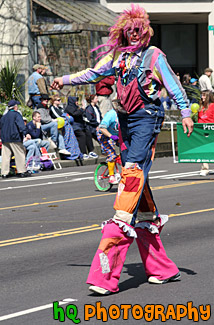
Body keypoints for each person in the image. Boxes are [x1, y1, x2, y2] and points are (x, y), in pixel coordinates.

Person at [51, 4, 193, 295]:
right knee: (139, 184)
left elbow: (173, 84)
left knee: (130, 178)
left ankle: (107, 272)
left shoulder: (154, 56)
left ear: (146, 32)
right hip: (126, 122)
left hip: (147, 120)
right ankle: (162, 268)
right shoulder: (117, 56)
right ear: (123, 33)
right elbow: (92, 73)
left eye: (139, 31)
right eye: (129, 31)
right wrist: (63, 80)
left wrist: (186, 112)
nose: (134, 35)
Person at [0, 100, 31, 178]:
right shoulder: (16, 115)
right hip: (15, 137)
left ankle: (4, 172)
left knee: (5, 156)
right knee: (19, 154)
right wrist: (26, 133)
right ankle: (22, 171)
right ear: (15, 107)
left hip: (5, 139)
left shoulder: (4, 117)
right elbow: (21, 125)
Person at [97, 108, 119, 184]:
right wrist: (111, 136)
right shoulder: (111, 114)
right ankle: (111, 176)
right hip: (104, 135)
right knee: (112, 154)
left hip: (116, 136)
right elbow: (102, 128)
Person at [198, 91, 214, 176]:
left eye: (204, 96)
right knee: (203, 150)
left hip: (211, 131)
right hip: (202, 132)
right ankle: (205, 168)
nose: (202, 97)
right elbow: (199, 119)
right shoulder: (201, 108)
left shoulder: (213, 106)